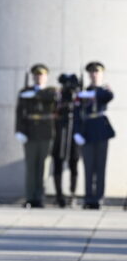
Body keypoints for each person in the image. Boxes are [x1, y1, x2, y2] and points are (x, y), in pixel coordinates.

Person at [73, 61, 115, 209]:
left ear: (101, 74)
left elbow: (109, 96)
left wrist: (93, 94)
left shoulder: (104, 90)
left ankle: (98, 198)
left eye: (97, 72)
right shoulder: (82, 92)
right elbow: (76, 114)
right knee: (88, 166)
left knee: (100, 166)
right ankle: (88, 198)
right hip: (87, 131)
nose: (94, 75)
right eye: (92, 72)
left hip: (101, 131)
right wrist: (76, 132)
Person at [14, 64, 57, 208]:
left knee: (43, 167)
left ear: (46, 77)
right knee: (31, 166)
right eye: (36, 75)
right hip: (30, 132)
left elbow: (53, 98)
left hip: (46, 133)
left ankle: (40, 197)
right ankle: (30, 197)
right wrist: (19, 130)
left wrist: (36, 94)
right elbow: (19, 112)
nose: (39, 77)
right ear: (33, 77)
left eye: (42, 75)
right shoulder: (24, 92)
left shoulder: (51, 91)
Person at [52, 73, 81, 207]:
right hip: (60, 132)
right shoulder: (58, 95)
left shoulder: (78, 95)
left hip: (74, 133)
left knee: (73, 162)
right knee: (58, 161)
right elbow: (54, 110)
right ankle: (59, 196)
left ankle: (72, 194)